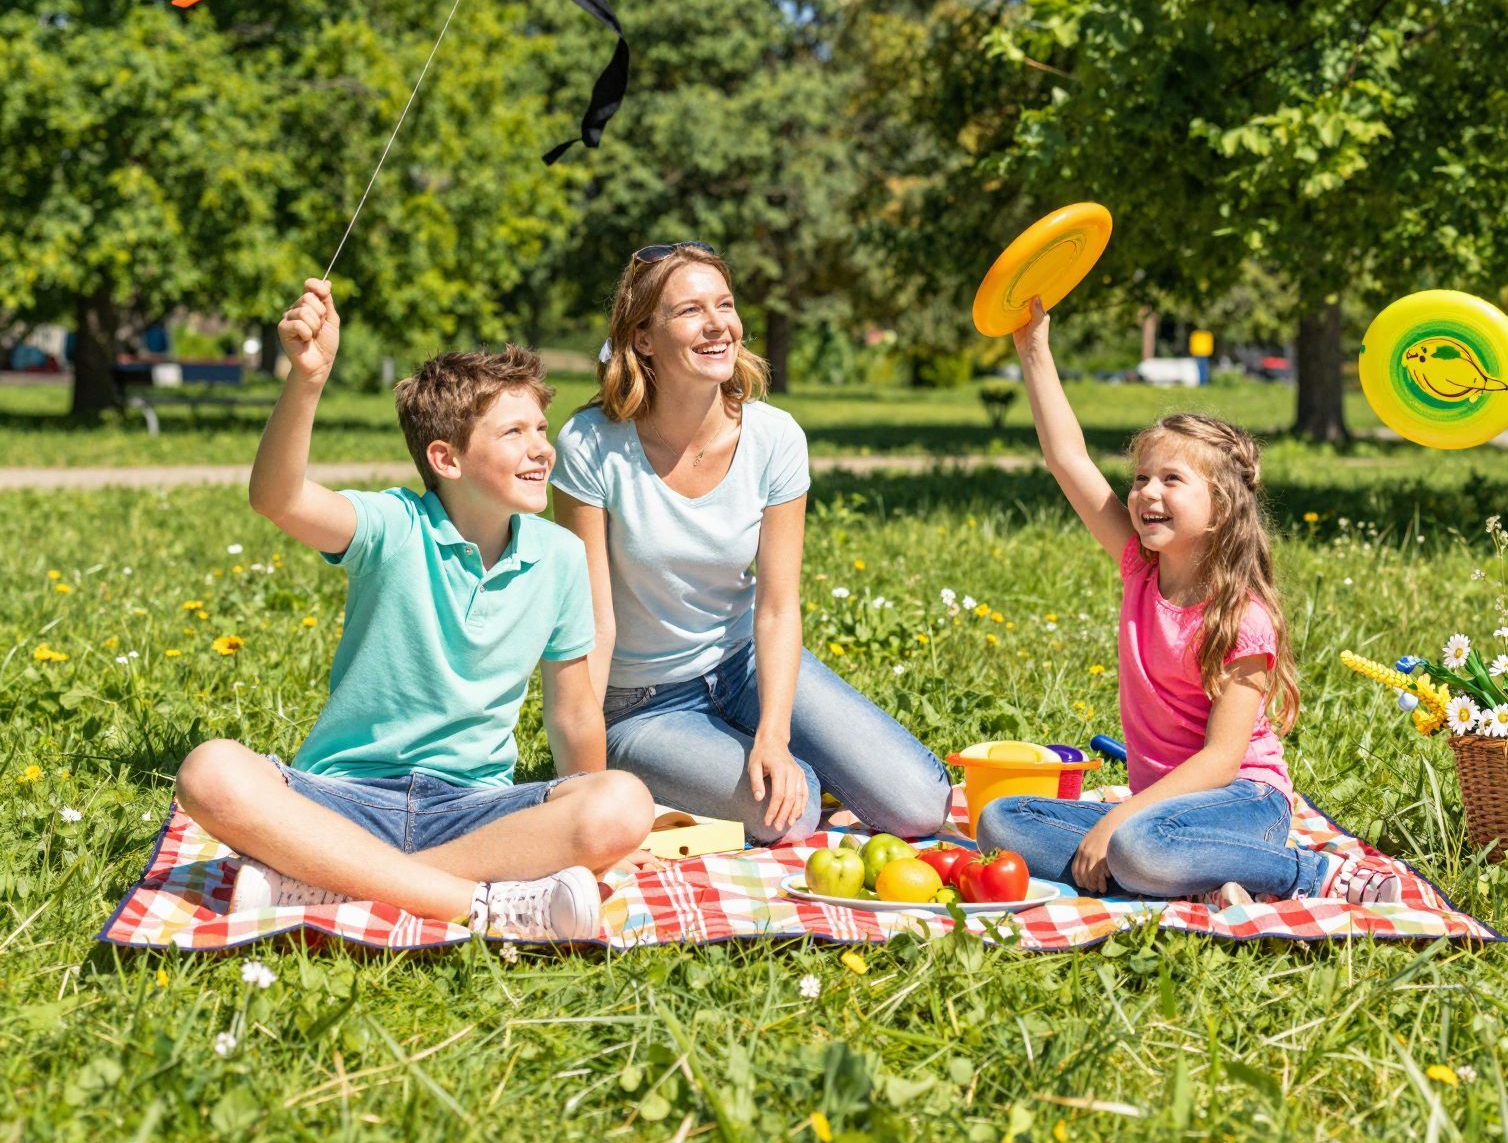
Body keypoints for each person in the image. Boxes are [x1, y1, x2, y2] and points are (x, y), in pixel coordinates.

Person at [174, 280, 653, 941]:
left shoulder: (561, 557)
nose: (541, 447)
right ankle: (474, 903)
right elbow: (277, 499)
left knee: (623, 804)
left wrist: (587, 832)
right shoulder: (392, 526)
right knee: (209, 772)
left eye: (540, 429)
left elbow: (573, 713)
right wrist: (307, 379)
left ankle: (322, 885)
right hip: (341, 798)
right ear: (445, 458)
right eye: (513, 432)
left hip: (474, 809)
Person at [976, 298, 1398, 906]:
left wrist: (1117, 822)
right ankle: (1195, 879)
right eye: (1142, 477)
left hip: (1243, 804)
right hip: (1164, 813)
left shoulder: (1242, 617)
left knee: (1135, 846)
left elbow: (1223, 762)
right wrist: (1033, 349)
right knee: (1001, 821)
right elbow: (1068, 459)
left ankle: (1311, 874)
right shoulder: (1140, 571)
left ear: (1221, 507)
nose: (1148, 491)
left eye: (1172, 480)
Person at [551, 243, 951, 844]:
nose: (718, 325)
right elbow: (591, 623)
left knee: (921, 807)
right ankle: (713, 770)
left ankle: (768, 760)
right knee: (791, 814)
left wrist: (774, 734)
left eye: (726, 305)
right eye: (690, 311)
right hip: (643, 703)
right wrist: (582, 776)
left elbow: (778, 607)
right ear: (642, 338)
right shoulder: (590, 445)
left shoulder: (775, 437)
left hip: (745, 667)